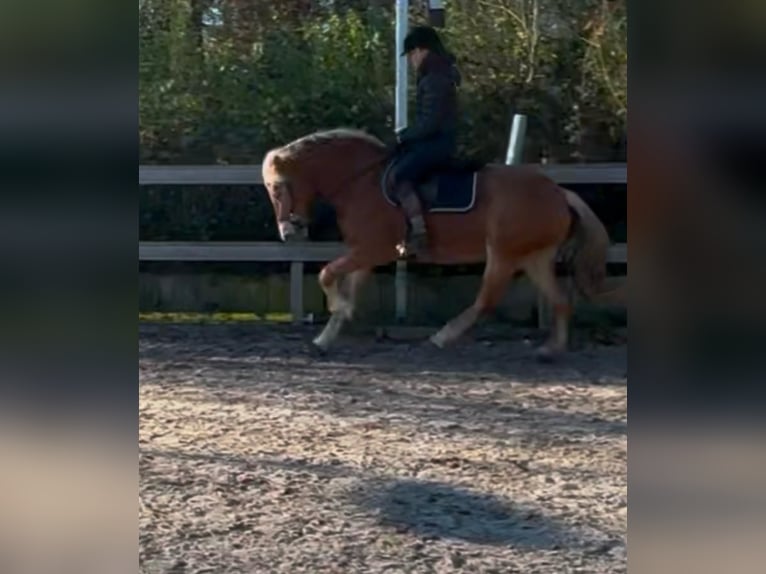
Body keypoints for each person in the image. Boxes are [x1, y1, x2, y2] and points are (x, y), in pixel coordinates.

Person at [392, 25, 462, 256]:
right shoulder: (439, 74)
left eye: (412, 54)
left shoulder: (434, 79)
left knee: (399, 176)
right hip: (437, 140)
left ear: (422, 50)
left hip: (437, 143)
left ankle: (419, 233)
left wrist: (404, 135)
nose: (411, 60)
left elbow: (430, 122)